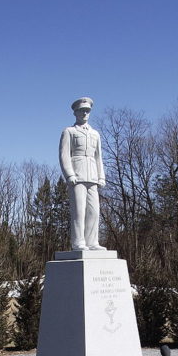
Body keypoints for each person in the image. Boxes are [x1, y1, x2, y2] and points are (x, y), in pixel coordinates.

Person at [59, 97, 106, 251]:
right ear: (75, 113)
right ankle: (78, 242)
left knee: (94, 212)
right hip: (77, 176)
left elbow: (98, 157)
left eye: (87, 111)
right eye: (82, 111)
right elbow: (64, 155)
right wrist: (69, 174)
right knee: (79, 211)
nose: (85, 113)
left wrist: (101, 176)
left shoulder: (95, 134)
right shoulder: (69, 132)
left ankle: (92, 242)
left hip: (92, 176)